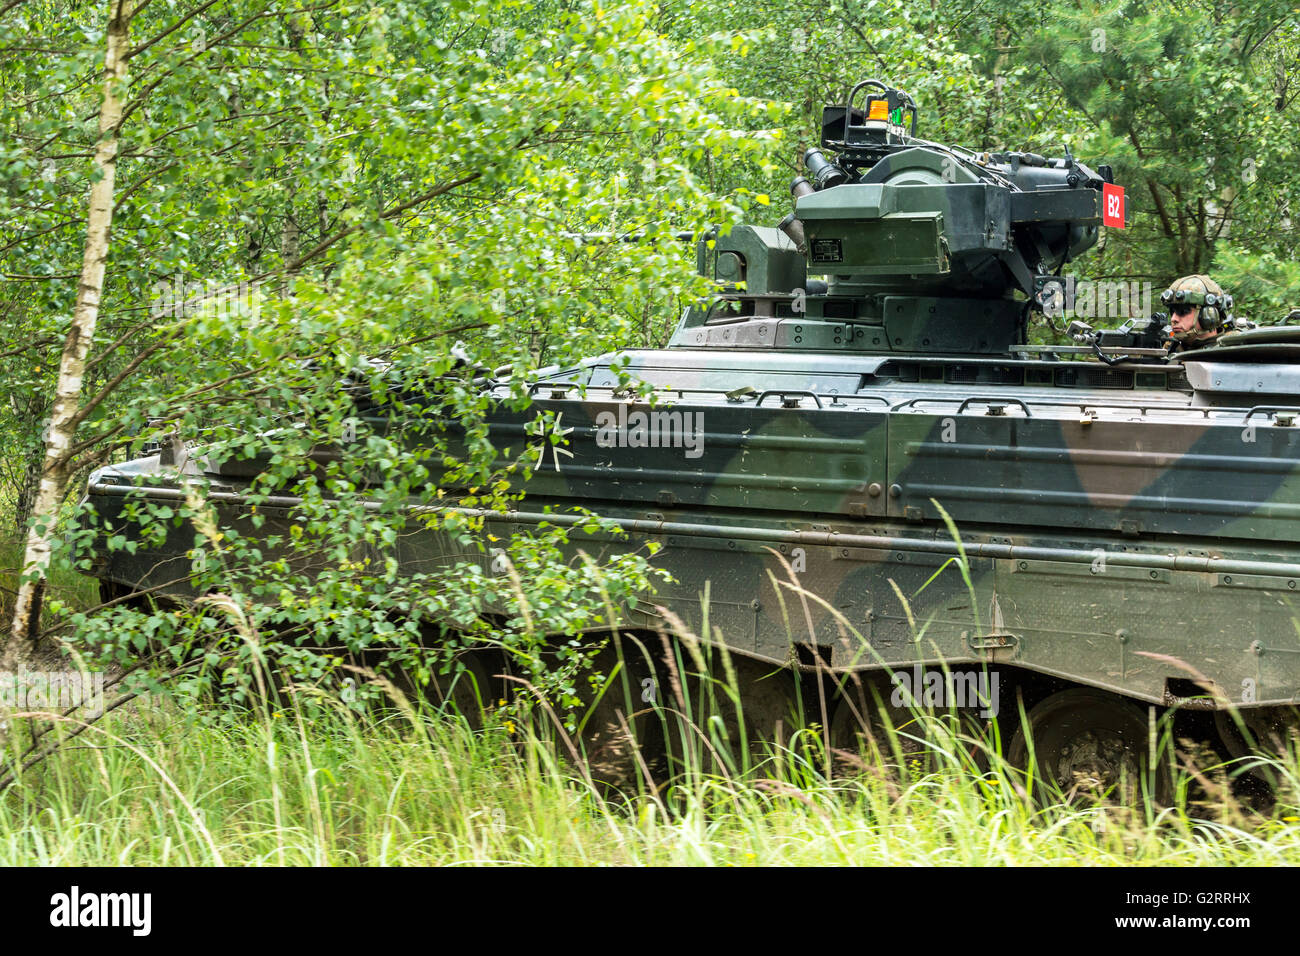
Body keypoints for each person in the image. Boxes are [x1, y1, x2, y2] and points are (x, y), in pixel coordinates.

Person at [1161, 274, 1234, 351]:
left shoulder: (1231, 352)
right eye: (1172, 311)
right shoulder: (1168, 349)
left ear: (1210, 315)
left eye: (1183, 311)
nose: (1173, 319)